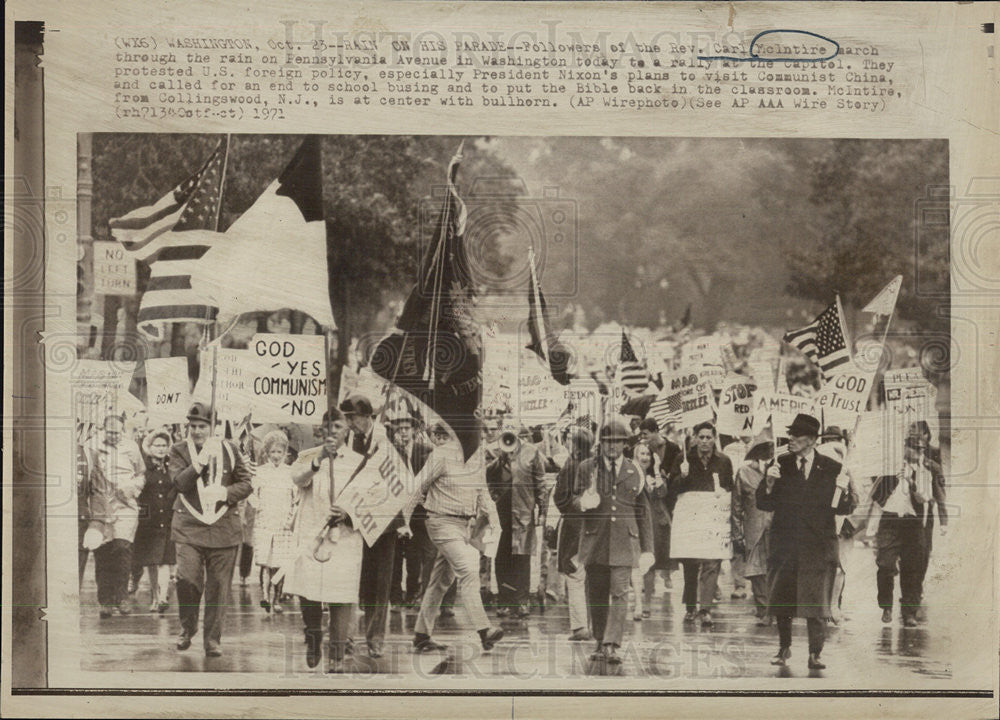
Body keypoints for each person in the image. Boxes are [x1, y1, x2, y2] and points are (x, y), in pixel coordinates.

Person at [757, 413, 855, 670]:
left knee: (816, 600)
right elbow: (764, 502)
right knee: (783, 598)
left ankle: (815, 653)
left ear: (811, 440)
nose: (790, 439)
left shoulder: (833, 468)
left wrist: (843, 490)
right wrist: (768, 483)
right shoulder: (780, 463)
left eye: (796, 435)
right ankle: (784, 647)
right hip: (785, 543)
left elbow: (842, 508)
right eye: (790, 434)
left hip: (818, 544)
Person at [403, 427, 505, 654]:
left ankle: (421, 635)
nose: (479, 438)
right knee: (469, 566)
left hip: (464, 525)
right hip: (441, 522)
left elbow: (483, 493)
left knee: (441, 580)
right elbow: (416, 486)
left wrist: (495, 521)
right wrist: (405, 521)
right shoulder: (441, 454)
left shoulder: (477, 458)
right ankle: (483, 630)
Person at [168, 402, 253, 657]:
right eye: (192, 426)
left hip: (223, 527)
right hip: (189, 526)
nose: (197, 431)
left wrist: (226, 492)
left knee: (219, 587)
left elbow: (247, 484)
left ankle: (212, 640)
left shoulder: (230, 449)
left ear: (212, 427)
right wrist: (198, 464)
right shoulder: (179, 450)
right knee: (187, 579)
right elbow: (179, 484)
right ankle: (188, 625)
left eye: (202, 426)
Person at [283, 410, 365, 672]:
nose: (332, 432)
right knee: (309, 592)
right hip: (312, 536)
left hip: (345, 538)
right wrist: (318, 460)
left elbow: (373, 500)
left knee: (341, 596)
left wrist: (349, 514)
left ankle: (337, 656)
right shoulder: (308, 456)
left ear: (347, 430)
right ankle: (313, 635)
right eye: (327, 427)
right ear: (321, 431)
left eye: (338, 426)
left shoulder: (360, 462)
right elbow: (297, 479)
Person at [571, 418, 654, 664]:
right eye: (607, 442)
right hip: (595, 539)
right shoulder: (588, 468)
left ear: (624, 444)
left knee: (620, 591)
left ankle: (612, 644)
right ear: (601, 443)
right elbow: (573, 500)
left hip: (624, 541)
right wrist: (584, 500)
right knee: (596, 592)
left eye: (617, 442)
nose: (612, 447)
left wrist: (648, 549)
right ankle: (599, 640)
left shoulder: (634, 469)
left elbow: (644, 511)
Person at [340, 393, 398, 658]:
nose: (350, 424)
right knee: (351, 579)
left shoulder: (388, 438)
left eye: (353, 419)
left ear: (367, 417)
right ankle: (346, 636)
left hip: (384, 521)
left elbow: (400, 479)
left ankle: (375, 638)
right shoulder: (346, 439)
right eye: (348, 419)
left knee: (380, 582)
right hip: (354, 519)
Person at [870, 430, 946, 627]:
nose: (918, 453)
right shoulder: (890, 468)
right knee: (885, 564)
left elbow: (925, 498)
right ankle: (886, 605)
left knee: (913, 568)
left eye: (920, 449)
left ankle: (909, 612)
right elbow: (875, 496)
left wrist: (911, 481)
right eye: (913, 448)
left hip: (913, 523)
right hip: (890, 521)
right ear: (905, 449)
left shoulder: (926, 471)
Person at [667, 421, 734, 626]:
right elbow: (672, 490)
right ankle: (690, 607)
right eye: (701, 437)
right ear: (694, 438)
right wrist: (683, 476)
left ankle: (705, 609)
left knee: (712, 561)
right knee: (690, 563)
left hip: (713, 517)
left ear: (714, 438)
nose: (705, 441)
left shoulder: (723, 461)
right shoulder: (682, 459)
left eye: (708, 437)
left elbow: (729, 487)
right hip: (690, 517)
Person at [486, 426, 547, 619]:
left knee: (522, 557)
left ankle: (522, 602)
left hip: (523, 512)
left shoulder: (532, 452)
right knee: (502, 558)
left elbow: (540, 482)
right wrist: (501, 459)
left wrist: (542, 509)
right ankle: (505, 601)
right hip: (502, 513)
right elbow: (487, 478)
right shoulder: (495, 452)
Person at [89, 414, 146, 619]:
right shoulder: (92, 446)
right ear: (103, 429)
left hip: (126, 505)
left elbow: (141, 474)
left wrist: (133, 488)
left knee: (122, 548)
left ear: (122, 431)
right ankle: (105, 600)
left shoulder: (132, 447)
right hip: (101, 505)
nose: (113, 435)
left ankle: (122, 597)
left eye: (117, 432)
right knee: (102, 552)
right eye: (110, 432)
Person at [386, 409, 434, 608]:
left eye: (407, 429)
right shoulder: (389, 452)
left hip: (419, 511)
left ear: (414, 430)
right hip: (396, 510)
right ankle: (395, 598)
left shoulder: (426, 451)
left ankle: (414, 594)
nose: (403, 433)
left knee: (415, 556)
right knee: (395, 556)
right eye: (399, 429)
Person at [552, 427, 595, 641]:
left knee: (575, 575)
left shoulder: (571, 466)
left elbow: (559, 497)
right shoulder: (597, 465)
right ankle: (594, 623)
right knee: (591, 577)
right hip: (595, 528)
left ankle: (579, 626)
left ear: (576, 445)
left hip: (574, 526)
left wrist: (569, 511)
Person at [250, 430, 298, 615]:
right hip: (264, 521)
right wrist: (258, 506)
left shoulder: (290, 472)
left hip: (283, 523)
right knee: (265, 561)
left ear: (285, 453)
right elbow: (250, 493)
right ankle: (265, 596)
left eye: (279, 452)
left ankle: (277, 599)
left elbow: (296, 497)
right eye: (272, 452)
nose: (276, 456)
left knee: (280, 562)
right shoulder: (260, 472)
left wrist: (291, 517)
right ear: (266, 453)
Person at [131, 428, 176, 615]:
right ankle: (154, 596)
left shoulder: (172, 467)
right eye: (157, 445)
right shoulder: (144, 469)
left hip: (167, 519)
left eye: (164, 445)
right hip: (148, 521)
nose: (161, 449)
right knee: (151, 561)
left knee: (164, 560)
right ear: (149, 447)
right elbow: (135, 491)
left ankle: (163, 597)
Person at [732, 439, 774, 625]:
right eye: (764, 460)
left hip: (777, 529)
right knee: (757, 571)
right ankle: (763, 610)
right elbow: (736, 505)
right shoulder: (744, 474)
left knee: (775, 570)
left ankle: (774, 610)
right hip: (753, 529)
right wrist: (737, 533)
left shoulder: (781, 472)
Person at [630, 441, 671, 620]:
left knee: (651, 565)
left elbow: (663, 493)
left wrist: (657, 470)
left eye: (648, 454)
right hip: (638, 522)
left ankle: (646, 603)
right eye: (642, 454)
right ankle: (639, 603)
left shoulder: (657, 475)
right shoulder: (631, 475)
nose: (645, 457)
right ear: (635, 456)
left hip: (656, 523)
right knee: (638, 564)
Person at [723, 431, 754, 600]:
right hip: (734, 494)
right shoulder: (729, 449)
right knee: (737, 540)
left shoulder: (761, 447)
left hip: (752, 496)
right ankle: (739, 583)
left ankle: (758, 583)